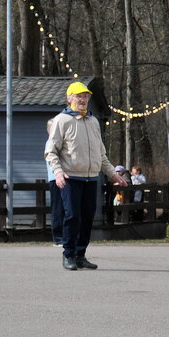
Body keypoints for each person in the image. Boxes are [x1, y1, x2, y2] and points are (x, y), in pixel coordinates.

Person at [45, 81, 127, 270]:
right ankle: (68, 255)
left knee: (87, 217)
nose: (83, 100)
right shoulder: (61, 120)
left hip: (91, 178)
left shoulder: (93, 122)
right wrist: (58, 172)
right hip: (71, 178)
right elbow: (51, 151)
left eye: (86, 97)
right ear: (70, 98)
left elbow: (101, 154)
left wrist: (113, 174)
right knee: (73, 216)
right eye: (79, 96)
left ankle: (80, 255)